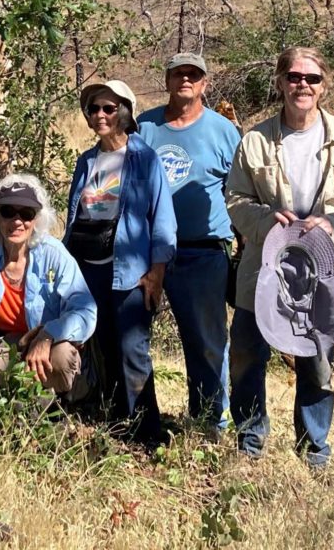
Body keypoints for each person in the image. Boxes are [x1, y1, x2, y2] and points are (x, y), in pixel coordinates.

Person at [225, 47, 334, 468]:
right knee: (246, 356)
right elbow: (236, 199)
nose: (302, 85)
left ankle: (314, 452)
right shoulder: (255, 140)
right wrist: (264, 220)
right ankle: (249, 443)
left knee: (316, 364)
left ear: (324, 86)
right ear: (280, 82)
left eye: (312, 79)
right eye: (294, 77)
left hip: (323, 273)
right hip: (264, 270)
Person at [64, 78, 176, 445]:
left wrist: (156, 272)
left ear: (124, 113)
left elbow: (162, 219)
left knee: (132, 350)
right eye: (94, 108)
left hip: (129, 273)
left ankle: (147, 433)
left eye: (108, 108)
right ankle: (113, 422)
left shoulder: (144, 159)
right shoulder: (87, 160)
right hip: (88, 270)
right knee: (103, 347)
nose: (100, 115)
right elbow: (74, 216)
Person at [137, 52, 241, 437]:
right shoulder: (144, 127)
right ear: (166, 80)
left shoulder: (223, 130)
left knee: (208, 342)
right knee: (132, 336)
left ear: (204, 84)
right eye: (178, 73)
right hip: (145, 252)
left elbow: (240, 191)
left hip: (203, 251)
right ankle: (136, 417)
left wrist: (245, 248)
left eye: (193, 75)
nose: (186, 80)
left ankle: (210, 421)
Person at [0, 174, 96, 400]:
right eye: (8, 211)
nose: (17, 221)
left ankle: (55, 402)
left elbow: (86, 311)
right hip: (5, 345)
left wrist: (48, 334)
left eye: (26, 213)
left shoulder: (54, 255)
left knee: (62, 357)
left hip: (47, 340)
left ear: (36, 219)